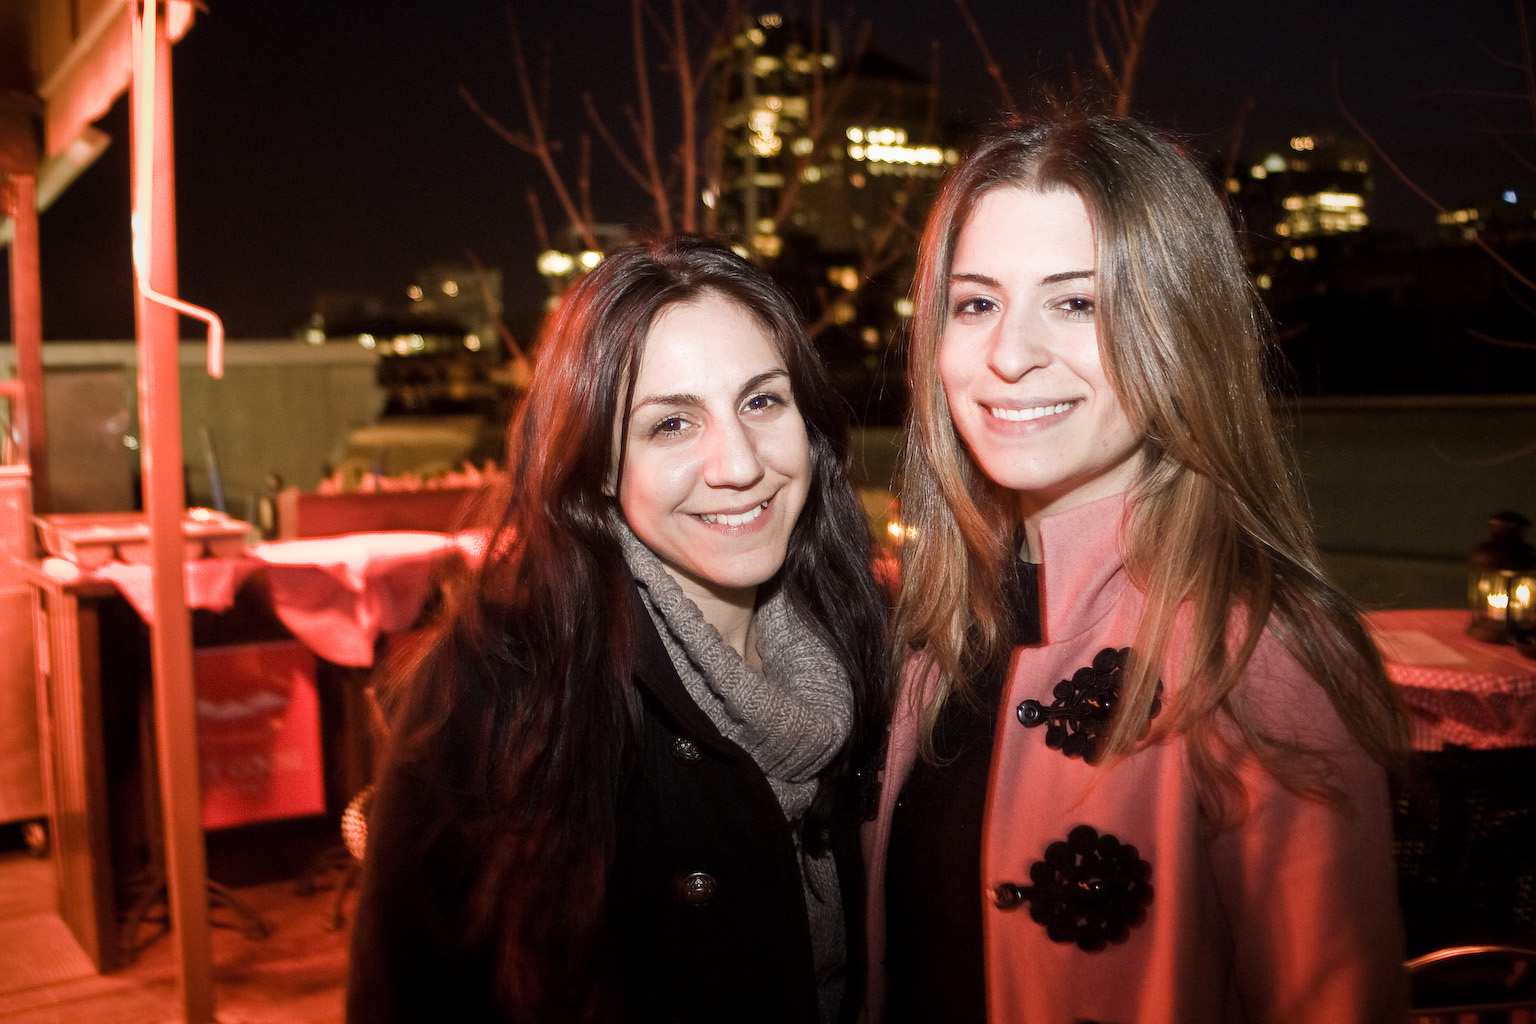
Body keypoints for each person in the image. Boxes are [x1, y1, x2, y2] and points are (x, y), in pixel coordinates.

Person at [865, 115, 1409, 1023]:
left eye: (1077, 303)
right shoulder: (932, 631)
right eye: (976, 303)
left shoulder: (1256, 649)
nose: (1009, 354)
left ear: (1179, 328)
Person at [347, 236, 889, 1024]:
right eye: (671, 425)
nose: (737, 463)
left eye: (762, 401)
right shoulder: (500, 687)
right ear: (600, 463)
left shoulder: (871, 641)